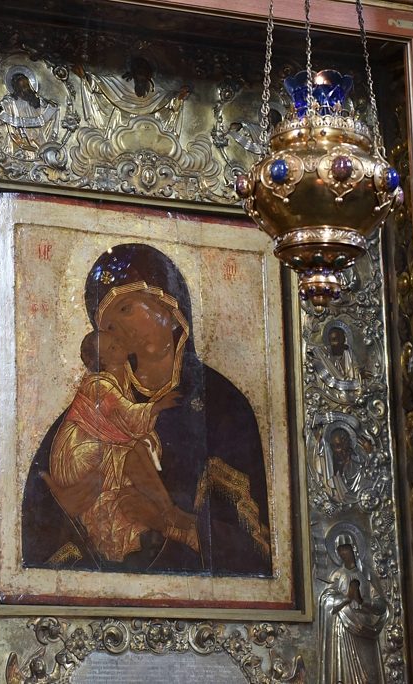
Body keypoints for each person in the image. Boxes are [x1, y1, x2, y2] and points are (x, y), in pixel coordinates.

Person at [22, 243, 271, 575]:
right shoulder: (93, 410)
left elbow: (261, 549)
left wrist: (172, 523)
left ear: (169, 306)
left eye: (126, 309)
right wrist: (65, 510)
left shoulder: (223, 405)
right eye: (108, 327)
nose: (119, 329)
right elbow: (36, 535)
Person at [45, 330, 197, 562]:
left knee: (135, 450)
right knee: (132, 452)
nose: (119, 343)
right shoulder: (98, 384)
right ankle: (169, 511)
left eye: (116, 340)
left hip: (96, 446)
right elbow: (124, 413)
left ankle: (167, 511)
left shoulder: (121, 377)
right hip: (76, 453)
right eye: (113, 347)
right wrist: (156, 407)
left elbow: (125, 426)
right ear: (103, 361)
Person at [318, 533, 387, 683]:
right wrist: (346, 598)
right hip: (345, 628)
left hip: (367, 628)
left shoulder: (367, 575)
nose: (343, 553)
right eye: (340, 550)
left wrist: (363, 601)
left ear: (354, 548)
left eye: (346, 548)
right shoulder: (337, 575)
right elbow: (326, 601)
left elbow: (381, 606)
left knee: (370, 676)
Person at [75, 56, 190, 134]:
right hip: (119, 129)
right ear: (133, 73)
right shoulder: (121, 84)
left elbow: (168, 100)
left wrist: (179, 97)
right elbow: (102, 83)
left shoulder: (156, 92)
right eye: (139, 72)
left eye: (144, 73)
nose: (141, 76)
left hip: (148, 131)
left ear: (149, 75)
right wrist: (85, 77)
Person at [0, 66, 58, 155]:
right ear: (16, 88)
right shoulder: (10, 101)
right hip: (20, 137)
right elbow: (0, 111)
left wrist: (51, 106)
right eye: (22, 86)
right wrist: (0, 109)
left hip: (38, 137)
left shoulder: (35, 100)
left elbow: (48, 109)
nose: (25, 89)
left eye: (26, 86)